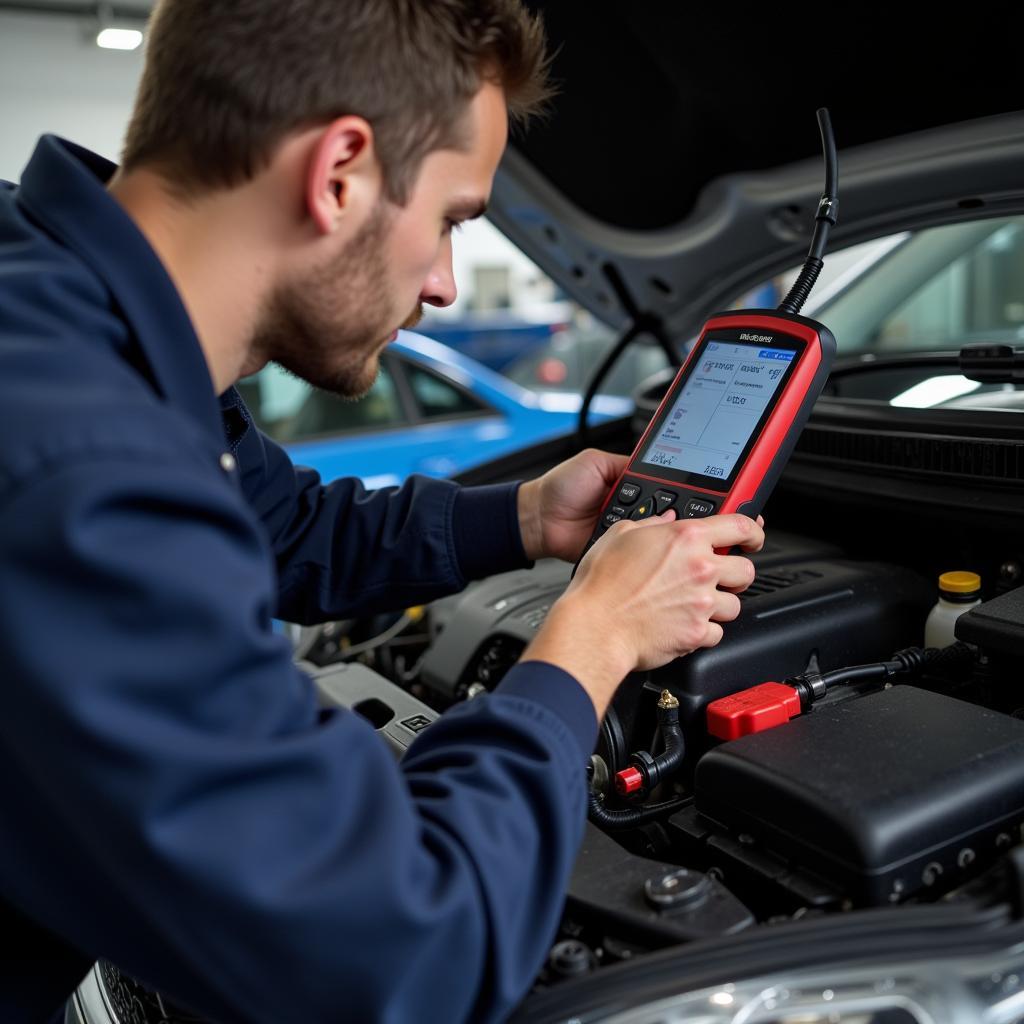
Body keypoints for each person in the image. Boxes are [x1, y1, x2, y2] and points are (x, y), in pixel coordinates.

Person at [0, 1, 763, 1021]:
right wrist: (590, 639)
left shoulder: (63, 308)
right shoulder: (79, 458)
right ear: (339, 172)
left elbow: (285, 525)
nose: (445, 284)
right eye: (451, 218)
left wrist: (528, 517)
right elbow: (404, 954)